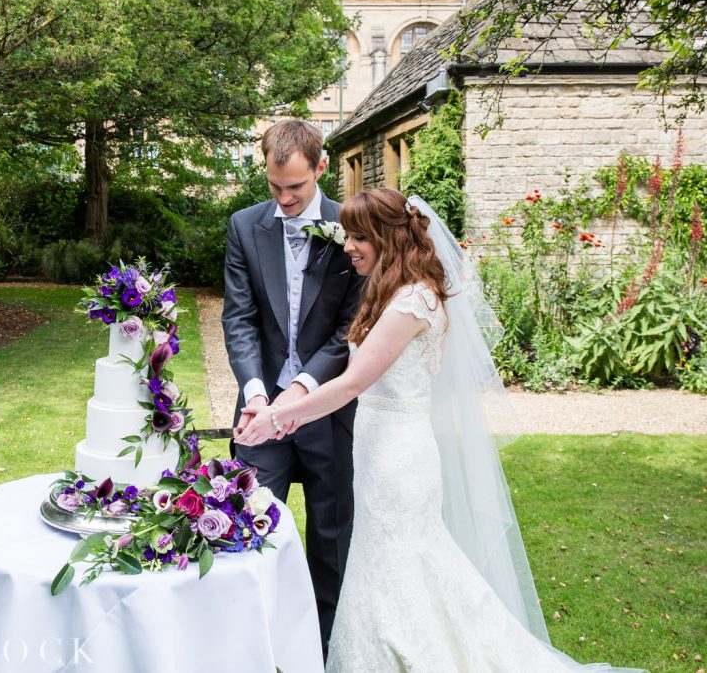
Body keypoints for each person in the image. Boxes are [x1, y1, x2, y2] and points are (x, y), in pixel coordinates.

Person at [235, 188, 645, 673]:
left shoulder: (412, 301)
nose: (348, 246)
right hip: (377, 451)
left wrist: (278, 416)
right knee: (390, 565)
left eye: (360, 237)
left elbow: (351, 383)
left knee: (400, 567)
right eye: (348, 235)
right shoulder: (392, 291)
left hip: (399, 460)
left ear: (389, 237)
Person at [221, 119, 363, 657]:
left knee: (330, 540)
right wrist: (257, 393)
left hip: (329, 410)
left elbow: (352, 326)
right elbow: (240, 319)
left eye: (296, 189)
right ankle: (254, 652)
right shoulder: (243, 226)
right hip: (262, 417)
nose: (283, 200)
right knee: (250, 532)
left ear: (321, 168)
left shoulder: (353, 224)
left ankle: (323, 653)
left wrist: (300, 391)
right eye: (274, 187)